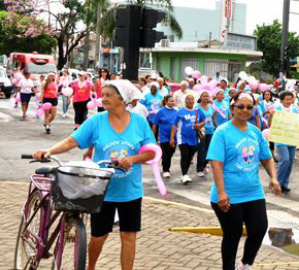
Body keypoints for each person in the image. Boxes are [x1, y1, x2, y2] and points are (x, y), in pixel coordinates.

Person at [33, 80, 156, 270]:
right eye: (102, 94)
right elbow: (71, 141)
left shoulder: (139, 122)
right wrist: (49, 151)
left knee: (129, 236)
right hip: (101, 190)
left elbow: (151, 152)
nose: (102, 99)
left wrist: (133, 159)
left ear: (122, 99)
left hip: (131, 191)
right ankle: (89, 267)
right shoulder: (96, 121)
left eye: (108, 95)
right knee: (99, 236)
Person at [208, 92, 281, 270]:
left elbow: (267, 157)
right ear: (232, 108)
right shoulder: (222, 132)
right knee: (232, 235)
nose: (245, 110)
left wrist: (273, 177)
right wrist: (222, 192)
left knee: (259, 229)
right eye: (240, 106)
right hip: (228, 194)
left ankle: (245, 264)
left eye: (249, 107)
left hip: (253, 192)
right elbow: (216, 163)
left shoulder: (255, 132)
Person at [171, 92, 202, 184]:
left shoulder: (197, 111)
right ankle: (184, 175)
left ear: (194, 100)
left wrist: (199, 125)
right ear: (185, 100)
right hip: (182, 138)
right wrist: (172, 138)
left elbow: (203, 121)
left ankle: (185, 173)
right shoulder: (180, 111)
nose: (190, 101)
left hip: (194, 138)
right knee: (184, 155)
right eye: (188, 99)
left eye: (191, 99)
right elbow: (175, 125)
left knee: (189, 156)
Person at [274, 91, 299, 193]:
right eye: (287, 99)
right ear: (281, 100)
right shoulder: (278, 109)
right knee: (285, 160)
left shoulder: (294, 109)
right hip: (281, 138)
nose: (289, 101)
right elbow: (274, 123)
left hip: (292, 138)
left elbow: (298, 123)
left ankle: (285, 183)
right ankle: (277, 183)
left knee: (290, 162)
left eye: (290, 99)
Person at [152, 95, 178, 178]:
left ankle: (164, 159)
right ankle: (166, 170)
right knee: (166, 152)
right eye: (170, 101)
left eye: (173, 101)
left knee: (171, 151)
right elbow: (155, 125)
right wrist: (153, 136)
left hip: (174, 136)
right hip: (164, 136)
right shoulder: (160, 112)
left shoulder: (176, 111)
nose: (172, 102)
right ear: (166, 102)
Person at [196, 91, 218, 177]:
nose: (205, 97)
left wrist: (216, 127)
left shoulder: (211, 107)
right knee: (201, 150)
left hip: (211, 130)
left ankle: (204, 165)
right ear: (200, 97)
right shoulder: (197, 107)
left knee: (209, 150)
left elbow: (213, 117)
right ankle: (199, 169)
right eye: (204, 96)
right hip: (201, 131)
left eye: (207, 96)